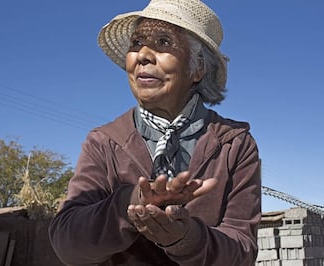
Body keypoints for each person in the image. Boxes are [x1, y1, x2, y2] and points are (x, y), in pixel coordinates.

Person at [49, 0, 261, 265]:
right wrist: (130, 204)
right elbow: (67, 243)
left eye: (163, 42)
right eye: (136, 43)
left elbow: (242, 250)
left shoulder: (234, 144)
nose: (143, 55)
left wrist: (188, 240)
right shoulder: (104, 142)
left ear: (197, 68)